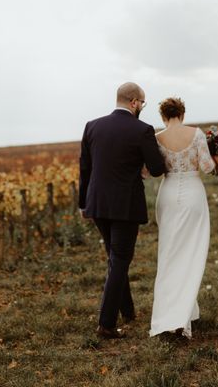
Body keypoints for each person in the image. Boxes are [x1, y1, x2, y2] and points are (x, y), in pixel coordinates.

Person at [78, 82, 167, 339]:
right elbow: (157, 168)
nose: (142, 108)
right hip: (125, 205)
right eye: (143, 103)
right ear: (134, 102)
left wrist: (83, 203)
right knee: (119, 259)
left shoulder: (92, 126)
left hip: (97, 203)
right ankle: (106, 324)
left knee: (115, 257)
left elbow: (85, 168)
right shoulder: (142, 130)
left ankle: (127, 310)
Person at [149, 97, 218, 340]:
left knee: (169, 254)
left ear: (163, 116)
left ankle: (177, 313)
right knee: (191, 253)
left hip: (168, 194)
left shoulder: (157, 138)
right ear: (182, 113)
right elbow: (207, 167)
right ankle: (180, 315)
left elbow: (148, 171)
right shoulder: (197, 134)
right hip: (192, 194)